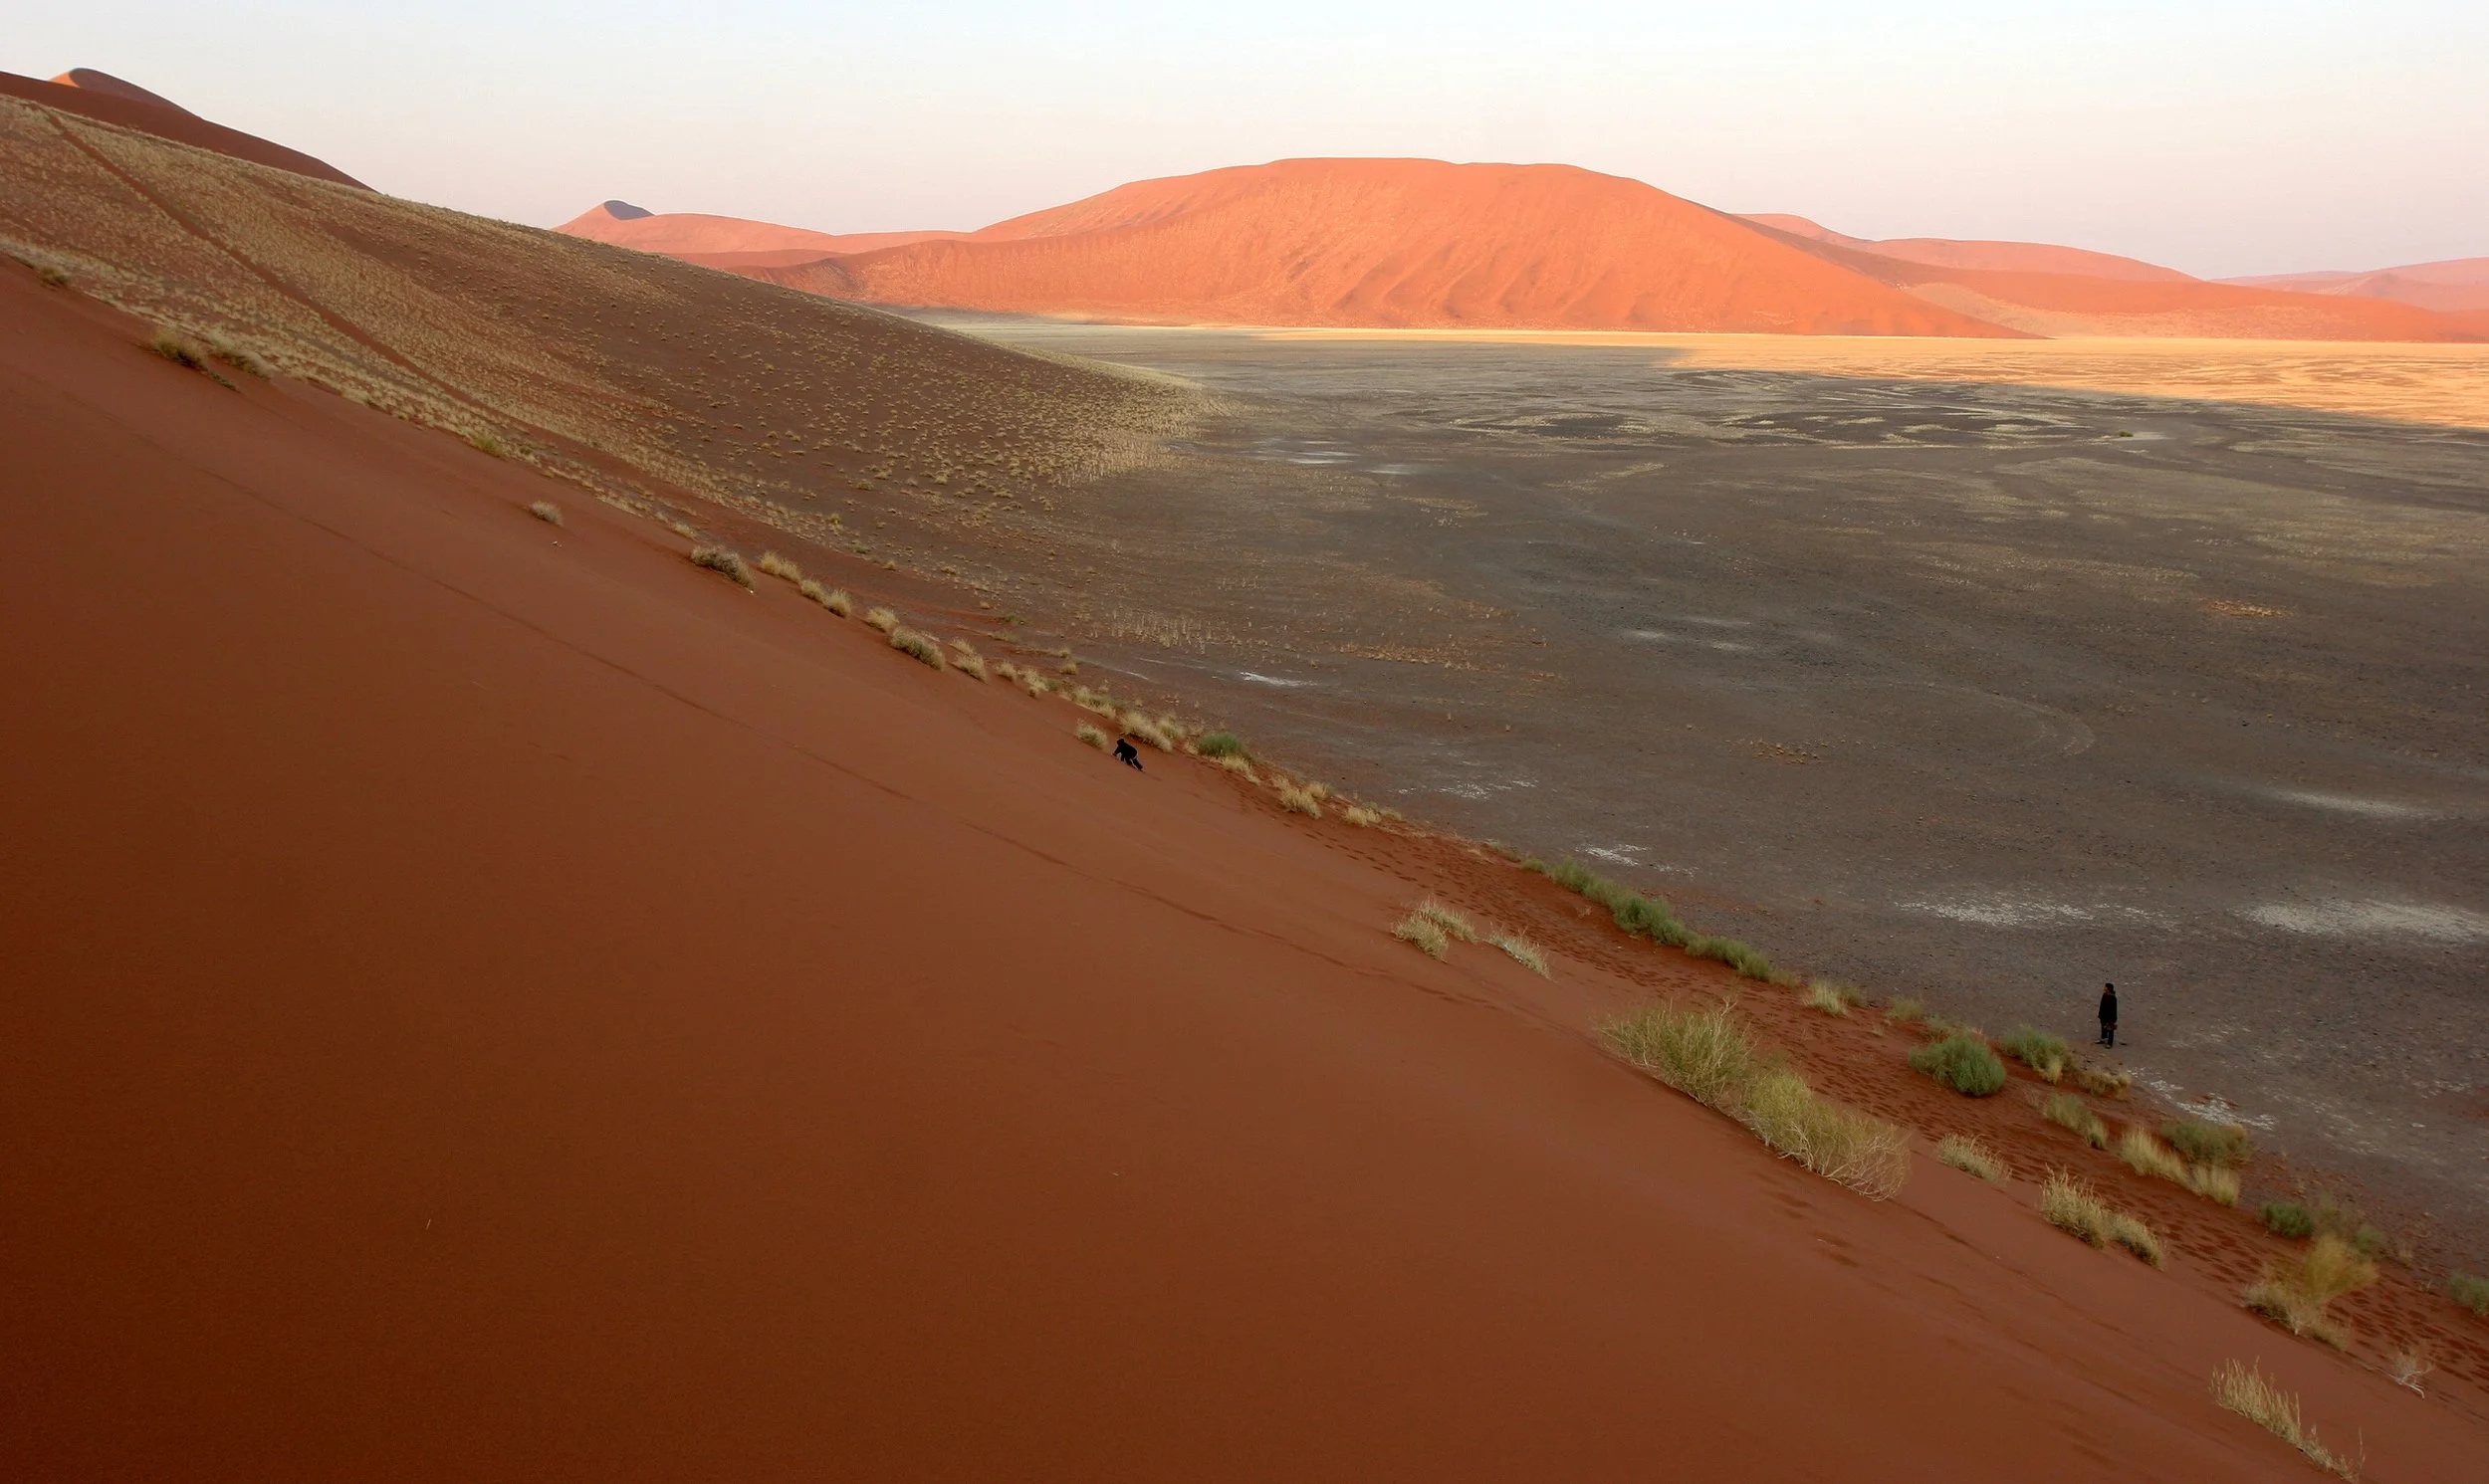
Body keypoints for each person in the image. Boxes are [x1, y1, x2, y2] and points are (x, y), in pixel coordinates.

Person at [2098, 982, 2119, 1048]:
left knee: (2110, 1030)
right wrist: (2100, 1014)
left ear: (2108, 989)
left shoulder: (2113, 998)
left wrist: (2112, 1019)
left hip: (2110, 1017)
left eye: (2105, 987)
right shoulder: (2104, 995)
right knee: (2103, 1028)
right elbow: (2102, 1006)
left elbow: (2113, 1010)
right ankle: (2103, 1039)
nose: (2104, 988)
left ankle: (2110, 1043)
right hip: (2103, 1016)